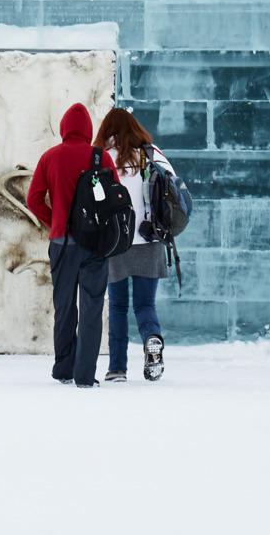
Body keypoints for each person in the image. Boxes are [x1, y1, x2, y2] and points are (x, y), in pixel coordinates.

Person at [24, 102, 117, 388]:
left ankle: (64, 368)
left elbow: (33, 199)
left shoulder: (50, 157)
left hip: (62, 242)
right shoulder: (102, 157)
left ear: (63, 128)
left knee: (64, 306)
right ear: (88, 129)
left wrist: (54, 221)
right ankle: (85, 375)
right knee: (91, 307)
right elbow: (116, 198)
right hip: (96, 244)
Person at [94, 107, 173, 383]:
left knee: (117, 307)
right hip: (149, 240)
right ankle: (152, 339)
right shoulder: (151, 155)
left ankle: (117, 368)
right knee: (145, 305)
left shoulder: (103, 158)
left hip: (116, 242)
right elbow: (173, 187)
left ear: (107, 130)